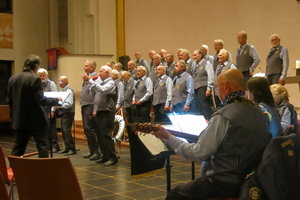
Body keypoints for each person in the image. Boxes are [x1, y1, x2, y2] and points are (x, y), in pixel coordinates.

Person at [150, 69, 270, 199]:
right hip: (251, 182)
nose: (216, 92)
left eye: (217, 87)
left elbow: (198, 154)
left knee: (174, 195)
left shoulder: (224, 115)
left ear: (225, 86)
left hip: (223, 184)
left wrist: (167, 136)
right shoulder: (260, 113)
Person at [8, 54, 61, 158]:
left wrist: (12, 117)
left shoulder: (13, 79)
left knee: (18, 147)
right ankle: (42, 171)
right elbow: (40, 99)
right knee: (43, 145)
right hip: (35, 120)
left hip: (19, 119)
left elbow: (10, 101)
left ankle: (12, 169)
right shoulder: (34, 79)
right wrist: (56, 100)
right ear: (36, 66)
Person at [82, 65, 119, 166]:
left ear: (107, 73)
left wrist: (92, 82)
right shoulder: (99, 81)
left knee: (106, 135)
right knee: (99, 134)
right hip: (99, 110)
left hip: (107, 111)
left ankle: (112, 157)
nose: (99, 73)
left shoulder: (111, 82)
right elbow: (93, 92)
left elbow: (103, 90)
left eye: (101, 71)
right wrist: (88, 81)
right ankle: (105, 155)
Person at [80, 59, 101, 160]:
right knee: (86, 129)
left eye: (86, 65)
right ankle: (91, 150)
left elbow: (96, 90)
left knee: (89, 128)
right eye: (84, 65)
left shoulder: (95, 77)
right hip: (85, 104)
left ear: (92, 67)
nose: (84, 67)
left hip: (90, 104)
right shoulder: (87, 77)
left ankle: (96, 151)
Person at [37, 68, 60, 153]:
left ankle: (55, 146)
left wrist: (53, 110)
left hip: (50, 108)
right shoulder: (38, 84)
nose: (42, 77)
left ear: (46, 75)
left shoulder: (51, 84)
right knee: (45, 128)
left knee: (52, 128)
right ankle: (48, 145)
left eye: (44, 75)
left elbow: (54, 97)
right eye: (40, 76)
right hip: (42, 108)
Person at [191, 50, 214, 120]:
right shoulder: (194, 64)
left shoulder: (206, 63)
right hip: (196, 88)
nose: (193, 57)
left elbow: (211, 76)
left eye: (195, 55)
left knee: (205, 105)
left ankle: (209, 120)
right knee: (198, 106)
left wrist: (209, 88)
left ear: (200, 55)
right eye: (193, 55)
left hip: (203, 87)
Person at [57, 76, 77, 156]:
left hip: (68, 112)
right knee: (63, 130)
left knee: (66, 130)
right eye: (58, 81)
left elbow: (69, 104)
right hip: (64, 112)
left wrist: (59, 105)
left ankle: (72, 148)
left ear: (66, 82)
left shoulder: (69, 91)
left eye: (61, 81)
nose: (59, 83)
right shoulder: (63, 90)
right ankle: (67, 147)